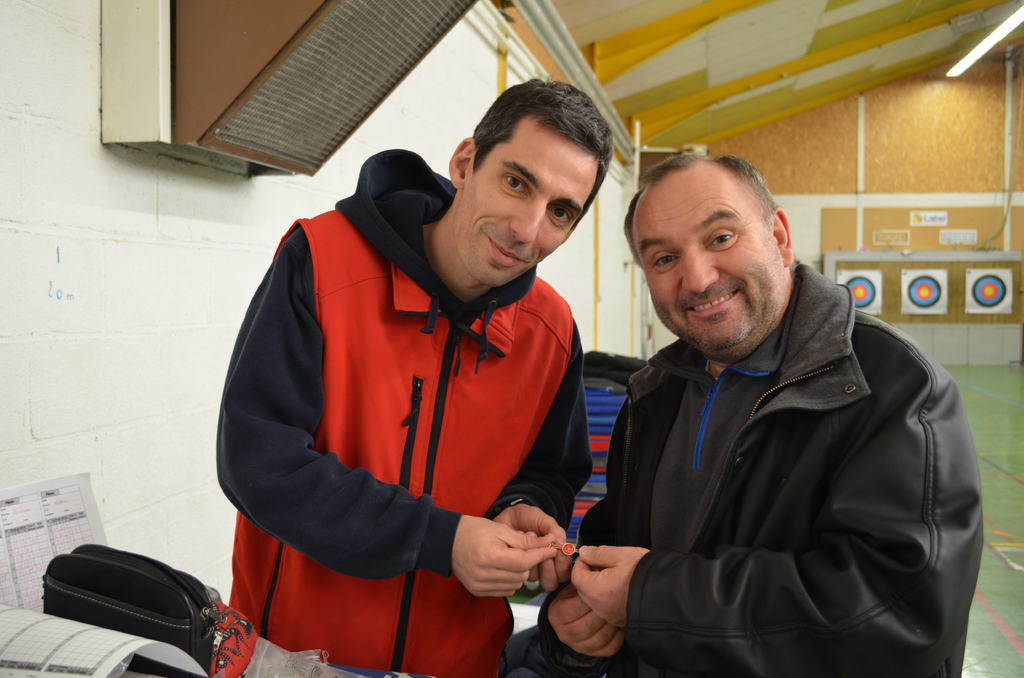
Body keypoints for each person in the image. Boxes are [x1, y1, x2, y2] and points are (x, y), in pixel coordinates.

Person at [217, 79, 612, 678]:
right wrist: (440, 539)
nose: (527, 230)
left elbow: (551, 471)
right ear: (465, 164)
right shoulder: (321, 261)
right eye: (516, 182)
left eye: (560, 212)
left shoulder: (551, 330)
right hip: (293, 657)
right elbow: (258, 462)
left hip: (462, 663)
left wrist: (523, 505)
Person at [539, 154, 983, 678]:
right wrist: (574, 627)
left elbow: (897, 616)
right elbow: (614, 550)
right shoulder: (654, 393)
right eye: (664, 258)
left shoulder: (894, 385)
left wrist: (651, 598)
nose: (696, 278)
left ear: (779, 235)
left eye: (721, 237)